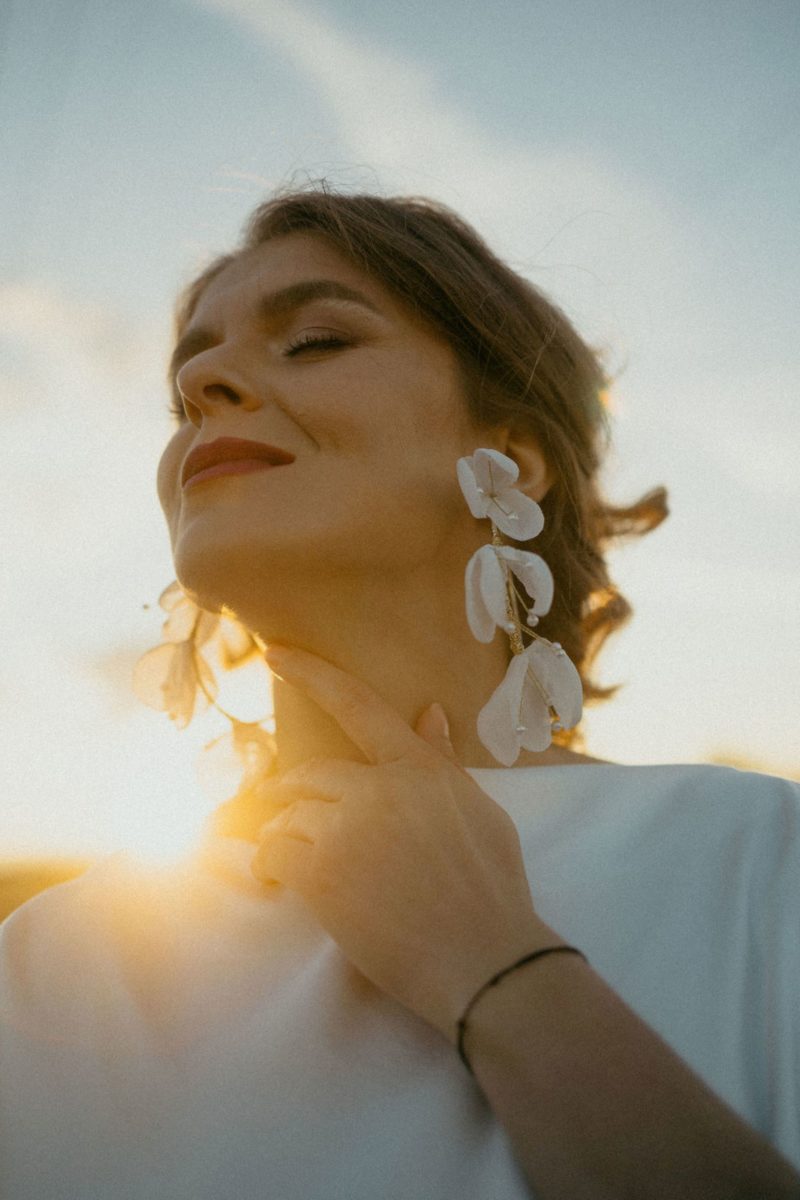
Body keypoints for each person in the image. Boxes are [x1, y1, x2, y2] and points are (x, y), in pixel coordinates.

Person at [1, 185, 798, 1199]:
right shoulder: (44, 966)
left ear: (510, 458)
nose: (201, 383)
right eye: (185, 384)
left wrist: (495, 968)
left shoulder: (755, 856)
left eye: (316, 341)